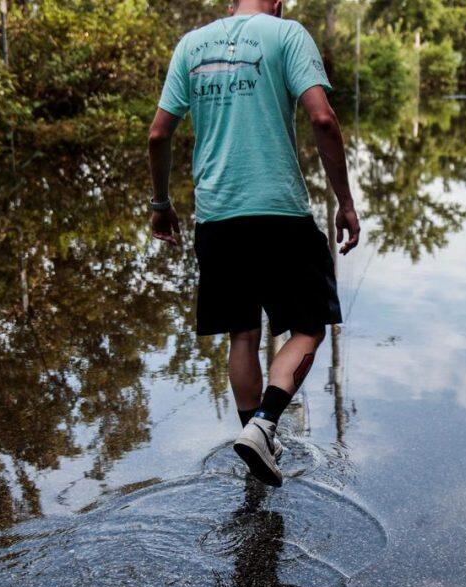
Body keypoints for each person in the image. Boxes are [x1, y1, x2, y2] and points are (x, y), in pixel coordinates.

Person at [147, 0, 359, 486]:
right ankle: (264, 427)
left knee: (241, 335)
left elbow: (160, 134)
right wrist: (345, 202)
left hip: (217, 216)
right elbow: (323, 120)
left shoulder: (191, 45)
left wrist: (161, 203)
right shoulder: (286, 34)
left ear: (229, 3)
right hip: (279, 211)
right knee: (309, 327)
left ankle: (254, 442)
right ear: (279, 2)